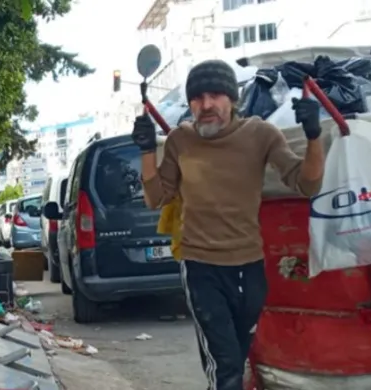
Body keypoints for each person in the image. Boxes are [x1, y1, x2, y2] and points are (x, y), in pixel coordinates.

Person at [130, 59, 326, 390]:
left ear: (232, 99)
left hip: (249, 267)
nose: (206, 105)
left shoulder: (261, 134)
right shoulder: (180, 140)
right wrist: (148, 150)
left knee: (236, 358)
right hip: (201, 268)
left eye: (216, 95)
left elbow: (306, 185)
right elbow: (156, 198)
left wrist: (314, 136)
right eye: (197, 98)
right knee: (226, 368)